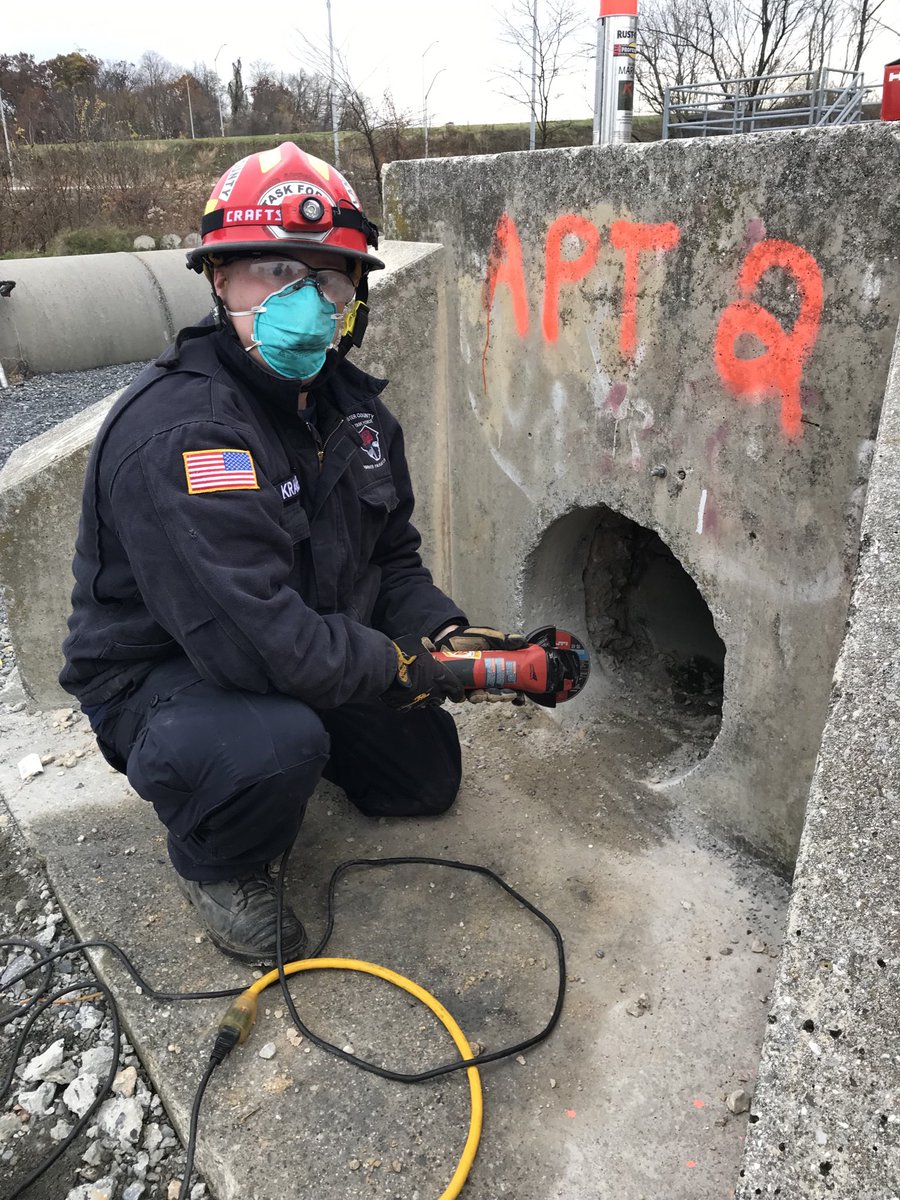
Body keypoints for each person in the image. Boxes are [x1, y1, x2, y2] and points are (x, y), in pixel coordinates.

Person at [59, 143, 525, 965]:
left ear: (355, 297)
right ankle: (216, 858)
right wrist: (400, 667)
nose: (306, 302)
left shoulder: (358, 416)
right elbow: (253, 643)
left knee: (424, 779)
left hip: (302, 643)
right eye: (275, 273)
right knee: (273, 749)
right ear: (219, 279)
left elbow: (393, 558)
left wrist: (449, 640)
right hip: (167, 673)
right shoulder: (186, 435)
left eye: (330, 279)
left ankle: (304, 733)